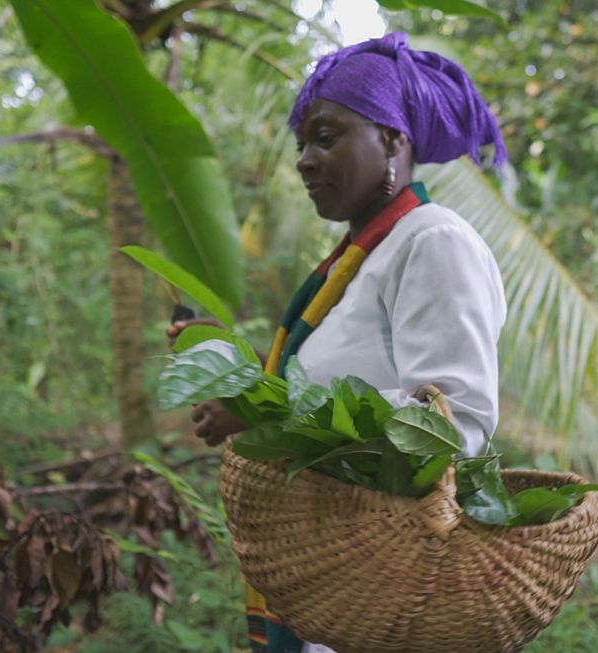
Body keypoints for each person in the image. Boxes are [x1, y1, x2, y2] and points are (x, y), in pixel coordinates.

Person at [168, 31, 507, 653]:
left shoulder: (432, 240)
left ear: (394, 141)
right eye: (302, 144)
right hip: (343, 576)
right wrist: (235, 369)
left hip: (393, 592)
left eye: (326, 138)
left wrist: (266, 411)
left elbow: (459, 427)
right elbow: (332, 387)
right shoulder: (359, 256)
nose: (303, 159)